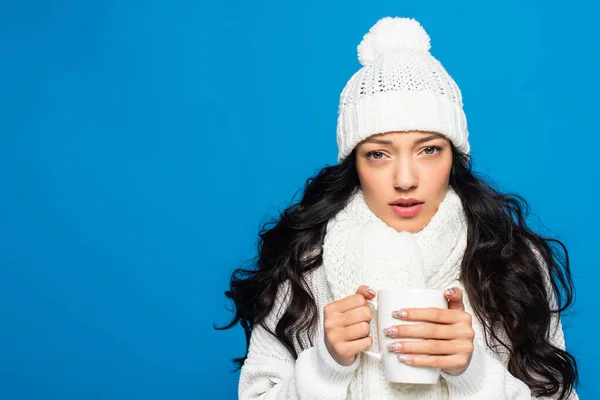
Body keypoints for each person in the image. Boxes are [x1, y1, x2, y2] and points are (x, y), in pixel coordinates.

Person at [219, 16, 579, 399]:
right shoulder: (306, 263)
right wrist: (326, 366)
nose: (405, 179)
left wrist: (471, 373)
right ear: (354, 163)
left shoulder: (511, 259)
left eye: (429, 150)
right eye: (378, 154)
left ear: (454, 158)